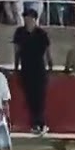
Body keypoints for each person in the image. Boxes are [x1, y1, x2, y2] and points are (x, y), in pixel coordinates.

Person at [13, 8, 53, 136]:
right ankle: (34, 123)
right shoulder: (20, 32)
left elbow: (47, 51)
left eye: (30, 18)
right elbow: (17, 51)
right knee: (29, 97)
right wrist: (16, 67)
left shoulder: (41, 33)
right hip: (26, 67)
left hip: (39, 68)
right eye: (26, 18)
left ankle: (41, 123)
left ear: (35, 19)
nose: (28, 20)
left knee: (40, 97)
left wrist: (50, 65)